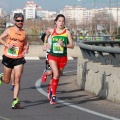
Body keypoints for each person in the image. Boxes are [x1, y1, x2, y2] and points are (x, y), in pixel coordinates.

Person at [43, 14, 74, 104]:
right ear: (56, 22)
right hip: (52, 56)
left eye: (63, 21)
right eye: (59, 21)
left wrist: (64, 45)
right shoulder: (52, 31)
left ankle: (50, 88)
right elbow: (46, 34)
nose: (61, 22)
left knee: (57, 76)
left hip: (62, 58)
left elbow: (72, 45)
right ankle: (53, 96)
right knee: (56, 74)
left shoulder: (67, 32)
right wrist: (45, 43)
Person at [0, 13, 29, 109]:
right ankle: (1, 78)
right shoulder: (9, 30)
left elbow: (25, 44)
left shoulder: (24, 33)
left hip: (19, 58)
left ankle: (15, 100)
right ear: (14, 21)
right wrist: (7, 45)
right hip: (8, 57)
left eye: (21, 21)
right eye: (18, 21)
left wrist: (26, 49)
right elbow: (0, 38)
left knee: (17, 79)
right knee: (7, 80)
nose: (20, 22)